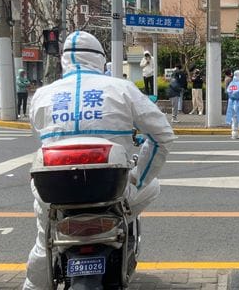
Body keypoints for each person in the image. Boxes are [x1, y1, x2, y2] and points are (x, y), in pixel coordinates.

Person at [23, 31, 176, 290]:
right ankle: (121, 229)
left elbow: (40, 138)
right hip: (112, 195)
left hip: (56, 199)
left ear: (64, 60)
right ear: (100, 60)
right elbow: (163, 137)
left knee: (43, 240)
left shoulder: (42, 96)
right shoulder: (122, 89)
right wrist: (137, 180)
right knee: (153, 186)